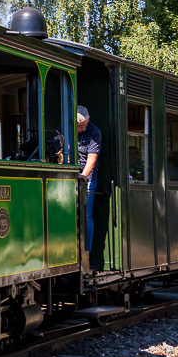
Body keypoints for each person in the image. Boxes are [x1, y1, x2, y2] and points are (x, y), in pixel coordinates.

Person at [75, 106, 103, 253]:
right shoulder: (64, 128)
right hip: (68, 176)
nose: (79, 129)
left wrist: (83, 177)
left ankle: (86, 253)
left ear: (88, 120)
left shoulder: (94, 132)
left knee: (86, 214)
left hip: (87, 179)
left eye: (82, 126)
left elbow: (91, 160)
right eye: (77, 126)